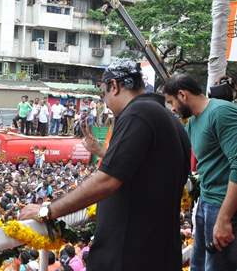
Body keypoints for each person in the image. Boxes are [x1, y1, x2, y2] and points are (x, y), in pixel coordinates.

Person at [19, 59, 190, 271]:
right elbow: (140, 170)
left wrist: (47, 211)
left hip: (130, 255)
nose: (105, 103)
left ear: (115, 86)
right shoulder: (169, 118)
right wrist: (101, 151)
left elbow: (107, 180)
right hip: (159, 252)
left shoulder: (138, 113)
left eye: (104, 94)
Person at [163, 74, 237, 270]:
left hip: (223, 207)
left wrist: (224, 218)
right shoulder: (194, 122)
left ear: (182, 95)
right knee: (198, 265)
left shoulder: (221, 112)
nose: (172, 108)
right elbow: (176, 158)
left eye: (171, 102)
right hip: (206, 203)